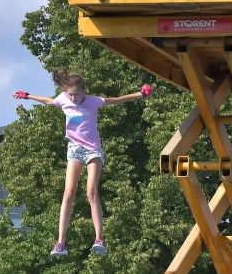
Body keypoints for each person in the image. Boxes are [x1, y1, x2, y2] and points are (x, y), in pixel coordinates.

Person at [14, 70, 152, 256]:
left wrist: (140, 94)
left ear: (84, 91)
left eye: (76, 95)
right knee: (68, 193)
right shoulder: (63, 99)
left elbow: (117, 100)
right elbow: (48, 101)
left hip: (92, 150)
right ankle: (60, 243)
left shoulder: (94, 101)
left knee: (91, 192)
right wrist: (28, 96)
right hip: (74, 149)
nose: (73, 98)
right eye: (70, 94)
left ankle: (99, 239)